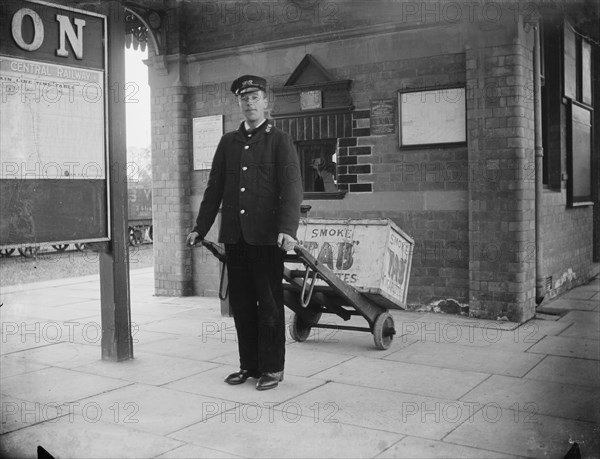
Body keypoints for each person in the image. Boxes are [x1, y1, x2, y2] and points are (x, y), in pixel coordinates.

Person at [186, 75, 303, 391]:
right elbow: (214, 190)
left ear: (266, 102)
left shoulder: (279, 140)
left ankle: (272, 368)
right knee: (241, 305)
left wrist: (287, 230)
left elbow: (292, 190)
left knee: (268, 305)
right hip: (235, 237)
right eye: (244, 98)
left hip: (267, 238)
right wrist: (200, 227)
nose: (249, 103)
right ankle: (249, 366)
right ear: (238, 103)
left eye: (255, 97)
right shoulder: (228, 143)